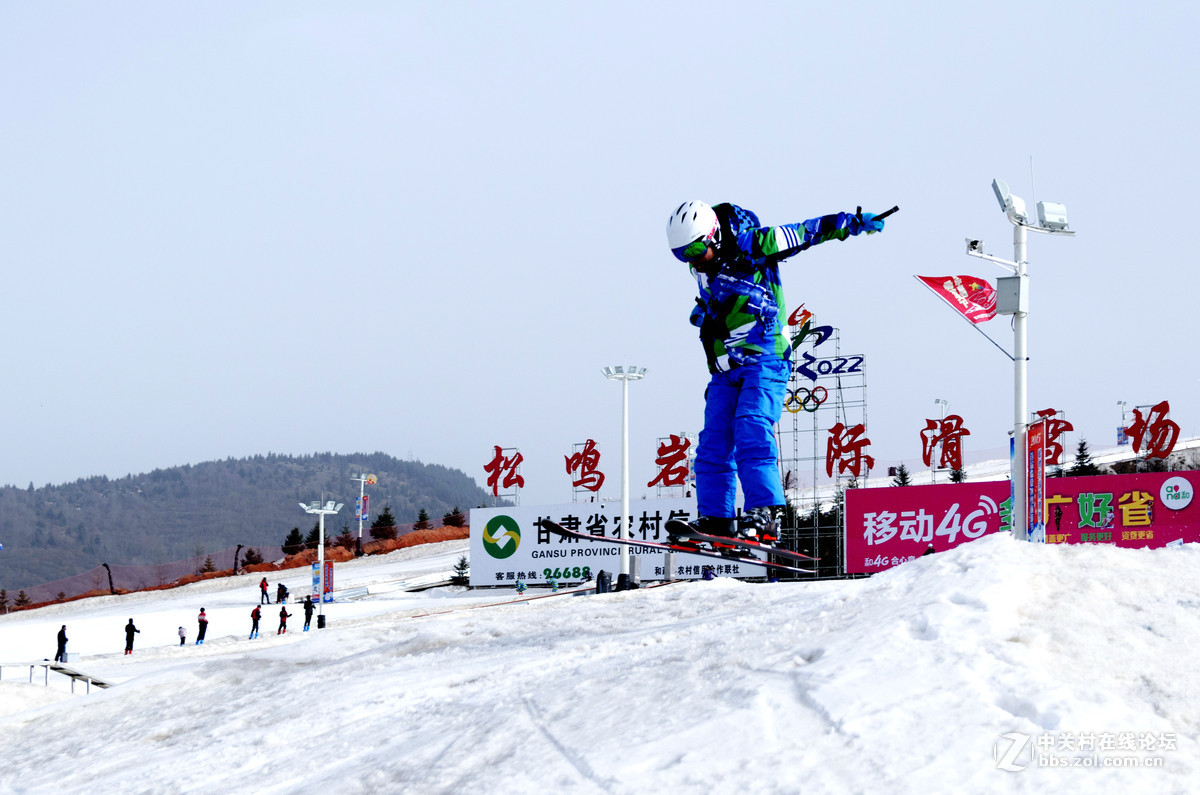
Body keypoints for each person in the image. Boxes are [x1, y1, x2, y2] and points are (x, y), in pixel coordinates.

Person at [665, 200, 885, 544]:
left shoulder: (753, 243)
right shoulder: (701, 267)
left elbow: (807, 232)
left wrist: (852, 222)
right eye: (682, 255)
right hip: (725, 367)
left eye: (695, 248)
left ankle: (765, 511)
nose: (692, 258)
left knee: (751, 425)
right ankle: (715, 518)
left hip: (765, 356)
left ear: (714, 235)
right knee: (712, 442)